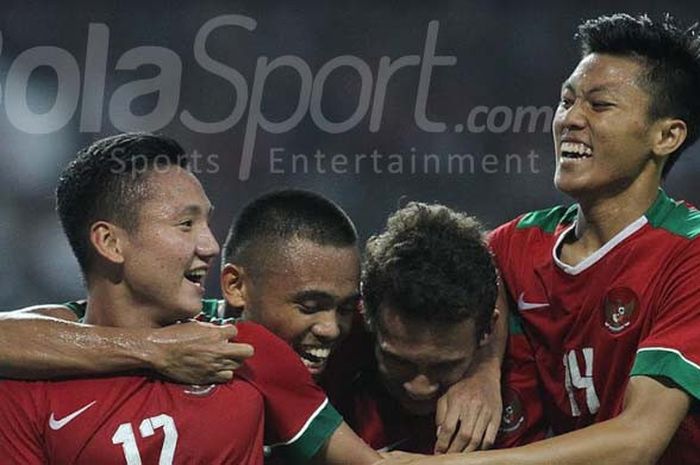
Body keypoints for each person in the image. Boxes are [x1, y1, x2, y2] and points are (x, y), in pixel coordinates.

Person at [380, 13, 700, 465]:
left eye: (600, 105)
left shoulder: (688, 255)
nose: (571, 119)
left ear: (666, 135)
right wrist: (482, 367)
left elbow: (639, 439)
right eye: (567, 101)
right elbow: (464, 276)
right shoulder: (520, 243)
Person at [2, 189, 507, 454]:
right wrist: (152, 349)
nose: (330, 328)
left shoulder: (379, 318)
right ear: (236, 290)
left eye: (340, 307)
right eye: (308, 307)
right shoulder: (204, 337)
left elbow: (489, 274)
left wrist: (484, 369)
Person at [0, 133, 380, 465]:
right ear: (111, 242)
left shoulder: (242, 348)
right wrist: (155, 349)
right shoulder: (26, 385)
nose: (211, 245)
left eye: (207, 223)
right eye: (186, 224)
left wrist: (443, 378)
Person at [320, 202, 504, 454]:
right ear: (366, 317)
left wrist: (486, 371)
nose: (419, 388)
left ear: (487, 331)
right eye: (399, 361)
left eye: (444, 366)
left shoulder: (531, 365)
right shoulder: (330, 352)